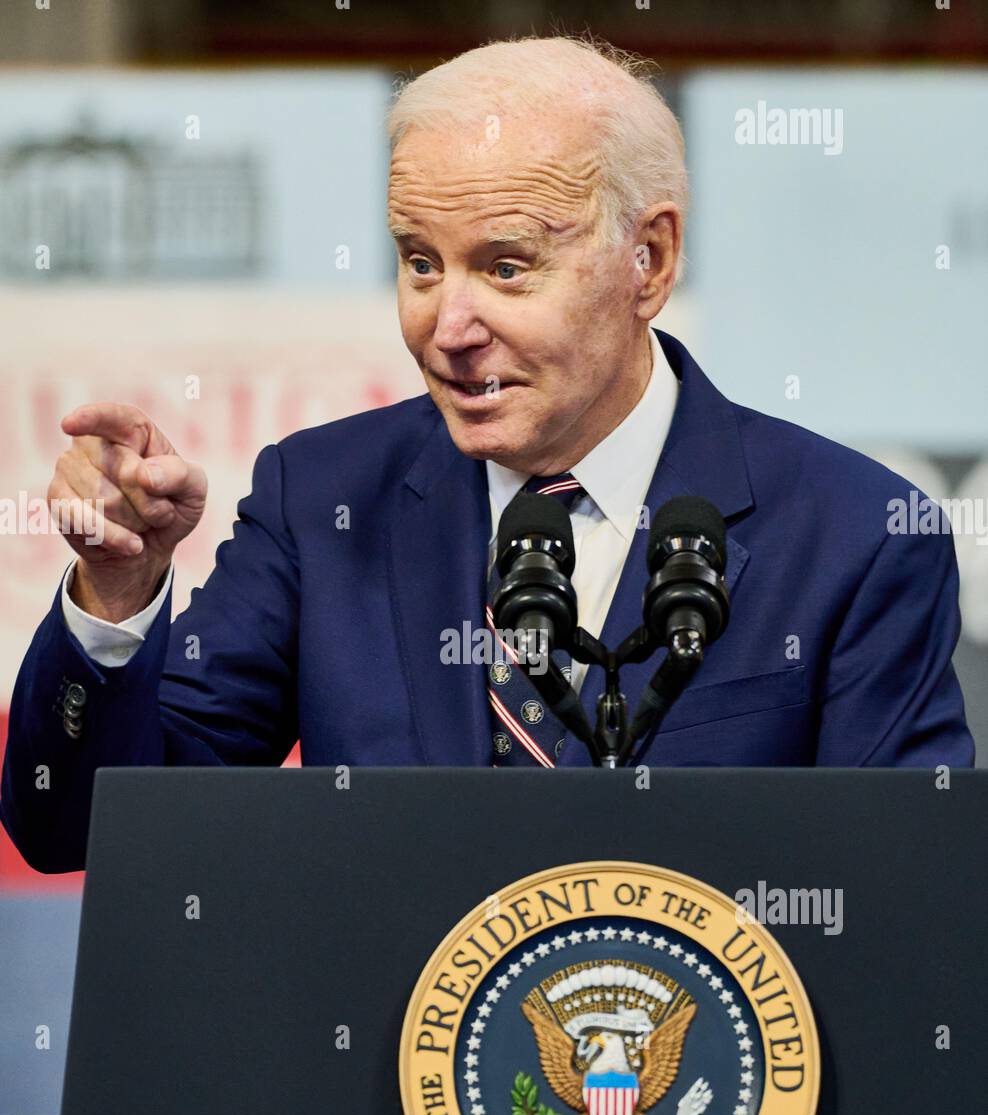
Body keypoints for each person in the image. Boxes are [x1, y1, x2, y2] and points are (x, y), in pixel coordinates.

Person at [0, 35, 974, 873]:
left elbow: (901, 901)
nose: (447, 326)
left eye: (505, 267)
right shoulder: (322, 501)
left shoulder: (853, 537)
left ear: (652, 261)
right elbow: (76, 828)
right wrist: (118, 598)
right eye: (420, 261)